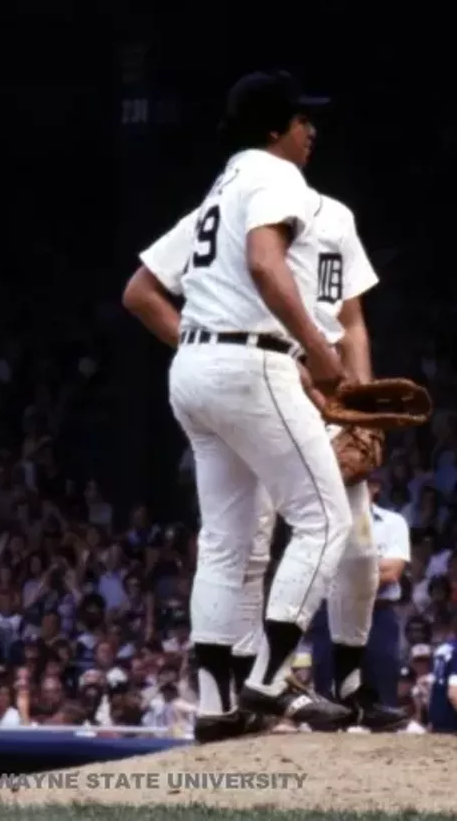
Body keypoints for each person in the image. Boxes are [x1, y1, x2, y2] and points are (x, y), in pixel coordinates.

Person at [132, 69, 354, 742]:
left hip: (194, 367)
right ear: (273, 129)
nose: (310, 130)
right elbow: (265, 261)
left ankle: (213, 704)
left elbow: (140, 290)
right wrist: (317, 348)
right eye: (301, 119)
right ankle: (268, 675)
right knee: (325, 517)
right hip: (250, 362)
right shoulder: (275, 176)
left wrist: (201, 345)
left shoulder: (217, 191)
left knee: (224, 545)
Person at [231, 193, 409, 732]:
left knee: (356, 549)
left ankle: (350, 685)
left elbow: (351, 321)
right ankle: (254, 683)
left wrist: (362, 406)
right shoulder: (247, 213)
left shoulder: (336, 217)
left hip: (330, 392)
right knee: (253, 545)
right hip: (272, 382)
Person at [307, 468, 411, 723]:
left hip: (378, 613)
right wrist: (365, 572)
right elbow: (318, 569)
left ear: (375, 487)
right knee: (327, 690)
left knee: (382, 688)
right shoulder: (325, 522)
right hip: (331, 612)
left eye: (360, 484)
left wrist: (344, 576)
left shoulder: (392, 522)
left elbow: (392, 572)